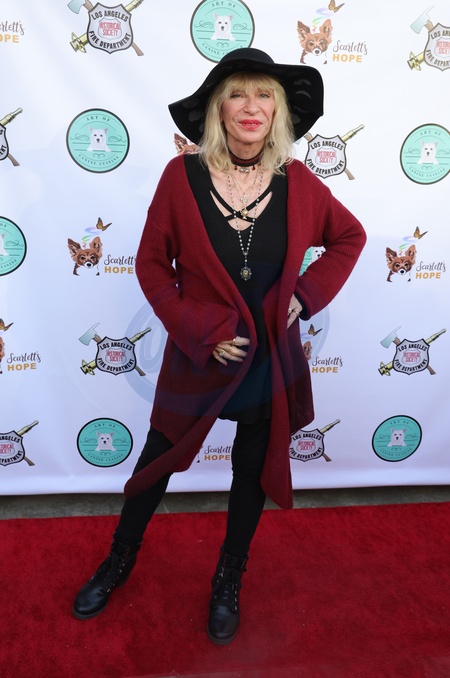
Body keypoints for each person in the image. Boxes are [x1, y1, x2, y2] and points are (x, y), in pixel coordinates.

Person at [72, 48, 366, 644]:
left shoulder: (299, 183)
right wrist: (198, 327)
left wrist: (304, 297)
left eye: (265, 95)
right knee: (156, 461)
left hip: (267, 359)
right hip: (199, 353)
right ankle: (119, 559)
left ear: (278, 110)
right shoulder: (180, 177)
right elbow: (152, 266)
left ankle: (229, 576)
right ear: (218, 109)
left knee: (251, 470)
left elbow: (349, 237)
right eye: (238, 93)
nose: (251, 107)